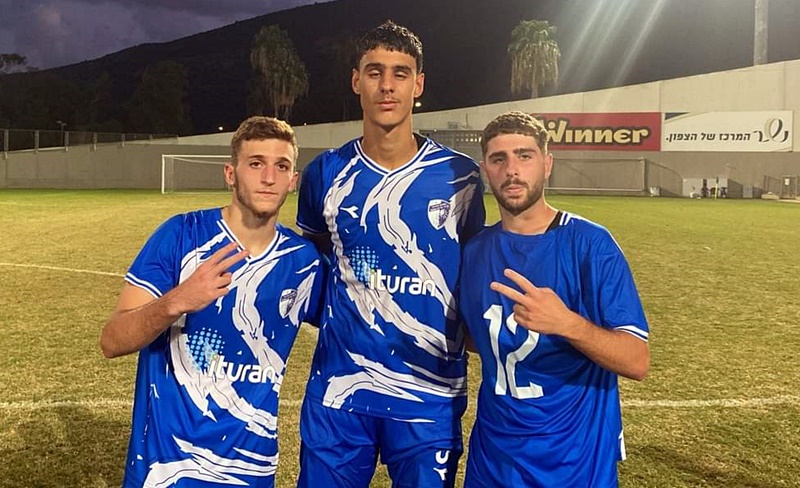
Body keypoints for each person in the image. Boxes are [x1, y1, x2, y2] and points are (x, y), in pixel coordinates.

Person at [295, 20, 486, 488]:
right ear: (355, 80)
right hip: (341, 390)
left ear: (418, 85)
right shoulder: (325, 173)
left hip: (430, 394)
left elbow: (474, 266)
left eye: (400, 73)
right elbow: (314, 262)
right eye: (374, 71)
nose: (387, 85)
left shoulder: (460, 176)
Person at [100, 116, 323, 487]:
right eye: (256, 163)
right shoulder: (180, 235)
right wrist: (176, 301)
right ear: (230, 174)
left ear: (293, 180)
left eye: (281, 166)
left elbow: (353, 323)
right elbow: (112, 341)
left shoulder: (304, 262)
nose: (269, 177)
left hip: (250, 470)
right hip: (167, 469)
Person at [459, 111, 650, 487]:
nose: (512, 170)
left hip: (574, 461)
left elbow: (636, 360)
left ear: (547, 164)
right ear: (485, 170)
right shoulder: (474, 251)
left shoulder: (591, 244)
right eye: (499, 159)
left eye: (524, 156)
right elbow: (477, 337)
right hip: (494, 459)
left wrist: (567, 324)